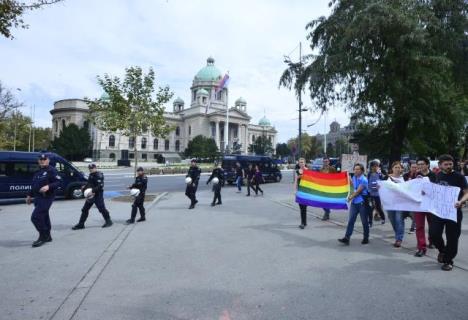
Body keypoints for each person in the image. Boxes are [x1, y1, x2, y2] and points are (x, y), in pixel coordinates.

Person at [429, 154, 468, 271]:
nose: (449, 166)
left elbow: (467, 192)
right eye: (446, 164)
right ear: (440, 165)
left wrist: (461, 201)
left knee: (452, 238)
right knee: (434, 234)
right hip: (438, 212)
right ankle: (442, 250)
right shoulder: (436, 176)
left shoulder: (459, 177)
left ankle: (448, 260)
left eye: (450, 164)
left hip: (454, 212)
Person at [26, 154, 62, 247]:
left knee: (35, 217)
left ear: (48, 160)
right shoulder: (38, 172)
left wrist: (48, 186)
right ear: (38, 161)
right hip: (38, 198)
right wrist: (29, 195)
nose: (42, 161)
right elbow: (34, 185)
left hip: (46, 197)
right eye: (40, 159)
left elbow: (58, 182)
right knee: (44, 217)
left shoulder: (51, 170)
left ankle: (43, 236)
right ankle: (48, 236)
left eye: (44, 159)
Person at [72, 164, 113, 230]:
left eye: (92, 168)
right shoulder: (91, 175)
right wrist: (84, 187)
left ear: (95, 168)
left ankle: (108, 221)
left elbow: (100, 186)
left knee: (102, 208)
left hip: (98, 194)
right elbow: (89, 183)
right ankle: (81, 224)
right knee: (85, 209)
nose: (91, 169)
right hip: (90, 195)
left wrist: (93, 191)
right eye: (90, 168)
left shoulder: (99, 175)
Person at [338, 163, 370, 245]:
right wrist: (349, 180)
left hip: (362, 203)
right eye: (355, 169)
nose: (355, 170)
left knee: (364, 221)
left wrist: (350, 198)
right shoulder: (354, 177)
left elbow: (358, 191)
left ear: (362, 171)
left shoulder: (364, 180)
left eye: (358, 169)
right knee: (351, 220)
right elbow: (353, 188)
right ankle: (347, 238)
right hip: (354, 203)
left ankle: (366, 237)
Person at [413, 157, 436, 256]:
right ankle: (421, 247)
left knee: (433, 225)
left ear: (427, 165)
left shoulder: (434, 175)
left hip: (431, 204)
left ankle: (432, 240)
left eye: (422, 164)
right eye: (418, 164)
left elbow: (438, 190)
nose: (420, 166)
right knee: (419, 226)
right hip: (419, 204)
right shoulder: (416, 175)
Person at [386, 161, 405, 247]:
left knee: (399, 219)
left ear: (401, 169)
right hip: (390, 203)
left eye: (399, 167)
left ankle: (399, 239)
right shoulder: (387, 178)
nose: (397, 169)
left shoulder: (403, 178)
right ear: (392, 169)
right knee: (392, 219)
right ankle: (398, 233)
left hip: (400, 203)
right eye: (395, 167)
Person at [368, 161, 386, 225]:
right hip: (371, 194)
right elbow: (367, 182)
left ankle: (383, 218)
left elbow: (383, 181)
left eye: (377, 166)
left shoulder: (379, 174)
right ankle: (370, 222)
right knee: (371, 207)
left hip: (377, 194)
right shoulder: (369, 174)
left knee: (378, 207)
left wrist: (380, 185)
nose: (376, 167)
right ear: (371, 167)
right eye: (374, 166)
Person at [294, 158, 309, 229]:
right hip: (300, 191)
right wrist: (295, 191)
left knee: (304, 207)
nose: (301, 163)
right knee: (301, 207)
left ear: (305, 163)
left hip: (306, 191)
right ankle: (303, 222)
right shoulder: (297, 171)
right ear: (298, 163)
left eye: (302, 162)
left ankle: (303, 223)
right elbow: (296, 182)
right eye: (300, 162)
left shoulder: (308, 170)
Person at [403, 162, 418, 234]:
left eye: (415, 167)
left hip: (415, 197)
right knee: (407, 213)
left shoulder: (419, 176)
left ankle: (413, 227)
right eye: (413, 167)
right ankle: (416, 223)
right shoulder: (405, 175)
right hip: (406, 197)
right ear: (410, 168)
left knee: (413, 213)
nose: (414, 169)